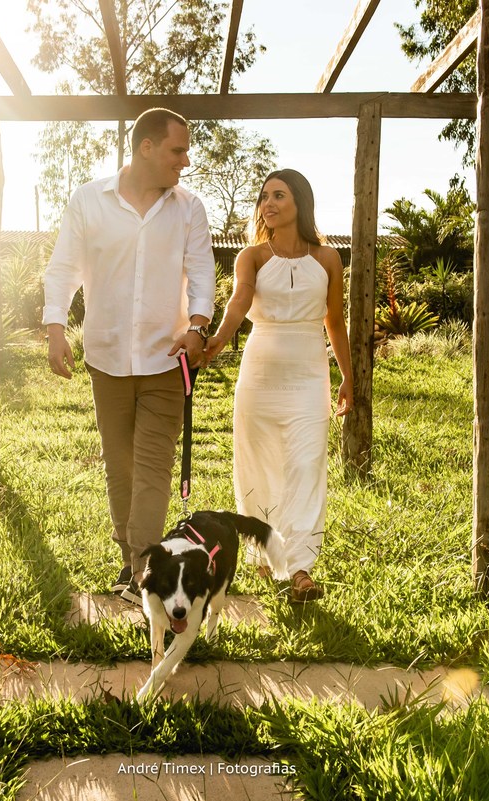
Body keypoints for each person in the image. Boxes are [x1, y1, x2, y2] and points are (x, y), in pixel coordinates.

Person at [43, 108, 215, 606]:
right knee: (119, 466)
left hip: (167, 357)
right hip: (106, 355)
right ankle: (131, 562)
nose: (185, 161)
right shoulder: (88, 201)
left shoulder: (189, 208)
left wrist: (198, 327)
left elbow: (202, 272)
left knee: (153, 465)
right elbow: (63, 269)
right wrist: (56, 328)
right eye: (177, 151)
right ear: (146, 147)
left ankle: (143, 571)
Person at [203, 169, 353, 603]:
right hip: (260, 374)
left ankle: (301, 567)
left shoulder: (327, 259)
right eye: (264, 196)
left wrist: (347, 375)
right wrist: (216, 339)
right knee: (260, 465)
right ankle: (270, 554)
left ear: (299, 203)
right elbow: (240, 299)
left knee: (306, 465)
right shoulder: (250, 256)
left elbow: (335, 321)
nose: (268, 204)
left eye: (279, 195)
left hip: (309, 374)